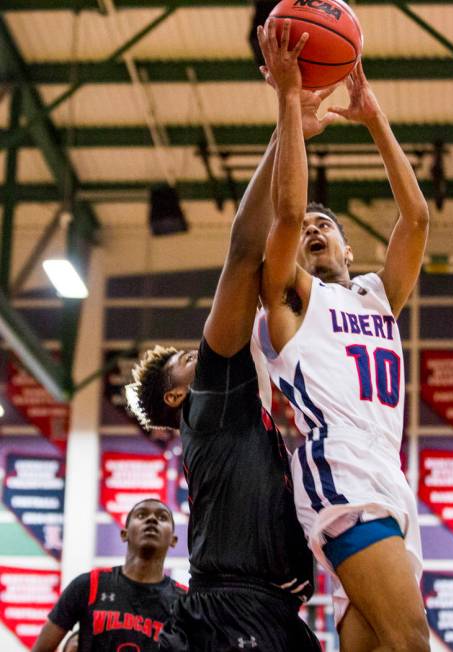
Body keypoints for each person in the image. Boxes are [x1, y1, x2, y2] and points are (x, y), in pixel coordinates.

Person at [125, 24, 337, 651]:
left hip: (263, 613)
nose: (206, 350)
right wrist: (285, 128)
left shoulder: (253, 415)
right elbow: (245, 252)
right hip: (231, 614)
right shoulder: (214, 399)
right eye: (190, 358)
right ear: (176, 397)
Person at [254, 17, 430, 652]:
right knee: (413, 642)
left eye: (327, 225)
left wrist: (374, 116)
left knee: (378, 646)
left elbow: (416, 217)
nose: (313, 230)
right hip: (341, 474)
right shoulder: (292, 301)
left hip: (388, 477)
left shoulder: (377, 296)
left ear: (350, 247)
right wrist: (290, 106)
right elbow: (289, 210)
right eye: (307, 231)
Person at [32, 498, 185, 652]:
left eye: (162, 517)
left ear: (173, 540)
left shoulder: (184, 602)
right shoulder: (89, 585)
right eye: (141, 515)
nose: (151, 519)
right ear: (124, 534)